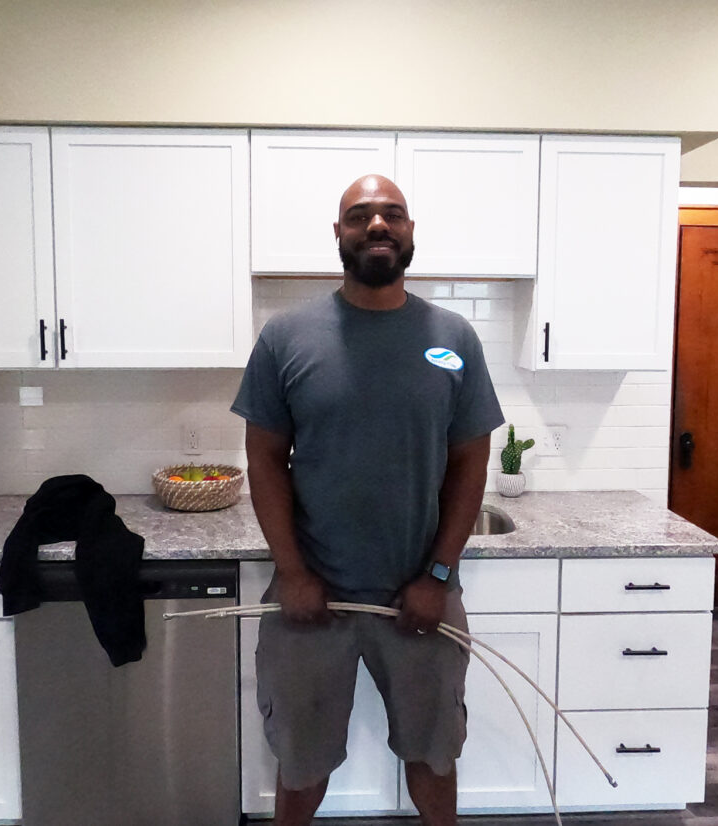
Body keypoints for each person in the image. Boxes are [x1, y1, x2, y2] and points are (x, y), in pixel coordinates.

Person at [230, 174, 504, 825]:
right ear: (338, 235)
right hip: (310, 600)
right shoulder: (286, 337)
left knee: (434, 759)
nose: (377, 226)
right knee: (301, 767)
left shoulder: (454, 340)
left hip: (423, 593)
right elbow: (264, 457)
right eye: (360, 216)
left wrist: (437, 575)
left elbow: (471, 460)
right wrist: (294, 574)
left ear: (410, 233)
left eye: (392, 215)